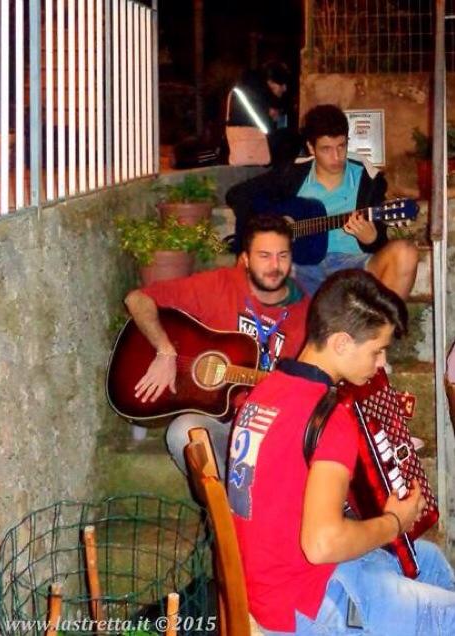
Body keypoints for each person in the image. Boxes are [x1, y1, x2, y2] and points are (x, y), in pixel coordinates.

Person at [227, 269, 455, 635]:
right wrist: (393, 522)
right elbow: (322, 544)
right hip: (303, 603)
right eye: (377, 350)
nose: (381, 364)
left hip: (268, 580)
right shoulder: (330, 419)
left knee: (428, 558)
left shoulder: (266, 392)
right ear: (341, 343)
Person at [124, 214, 310, 479]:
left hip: (268, 427)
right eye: (264, 256)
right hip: (218, 421)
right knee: (184, 433)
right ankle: (228, 502)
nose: (274, 266)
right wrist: (164, 350)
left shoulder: (306, 315)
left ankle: (242, 502)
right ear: (245, 259)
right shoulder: (219, 285)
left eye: (282, 256)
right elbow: (137, 299)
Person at [226, 104, 419, 300]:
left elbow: (379, 243)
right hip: (299, 267)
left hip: (353, 266)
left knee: (406, 253)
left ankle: (384, 320)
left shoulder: (368, 180)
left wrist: (371, 239)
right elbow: (237, 195)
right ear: (311, 147)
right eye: (326, 149)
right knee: (254, 263)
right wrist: (273, 226)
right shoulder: (292, 174)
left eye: (341, 146)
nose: (336, 157)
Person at [227, 61, 302, 165]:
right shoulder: (247, 94)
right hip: (251, 146)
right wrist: (270, 116)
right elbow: (264, 127)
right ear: (270, 82)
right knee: (291, 137)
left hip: (253, 145)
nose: (284, 88)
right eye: (281, 84)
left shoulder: (259, 95)